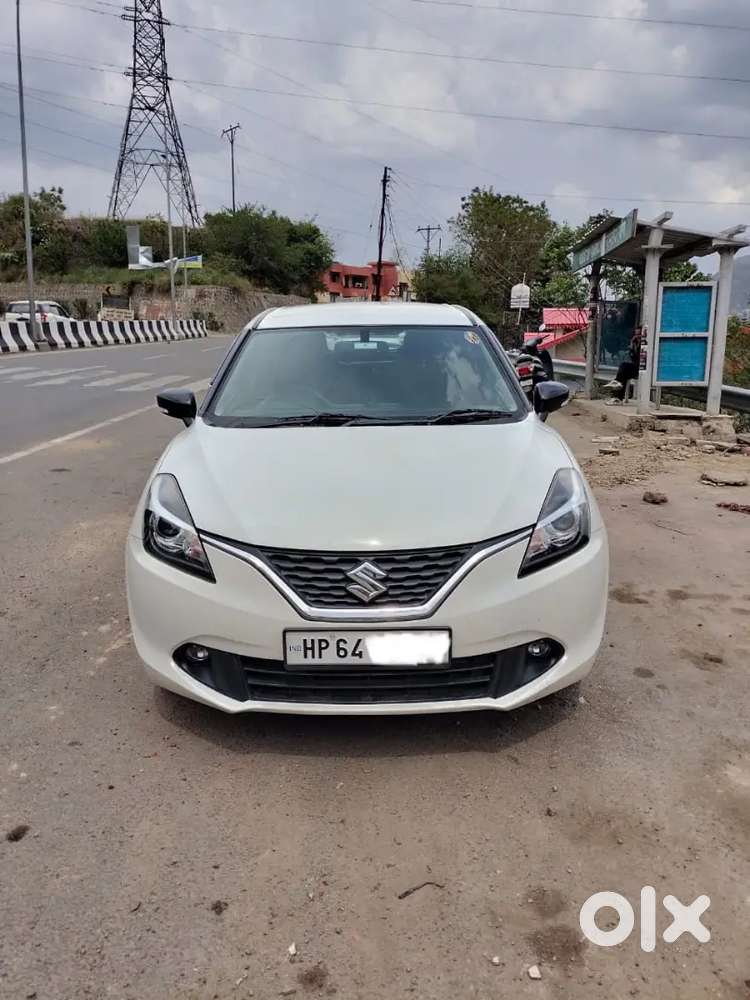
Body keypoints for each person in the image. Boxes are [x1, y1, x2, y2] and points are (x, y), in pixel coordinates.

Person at [603, 328, 641, 403]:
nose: (637, 337)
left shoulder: (646, 346)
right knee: (624, 373)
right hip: (637, 368)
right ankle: (617, 398)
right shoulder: (635, 344)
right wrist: (632, 346)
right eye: (636, 335)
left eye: (639, 335)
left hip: (644, 370)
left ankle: (617, 385)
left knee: (624, 367)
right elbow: (634, 359)